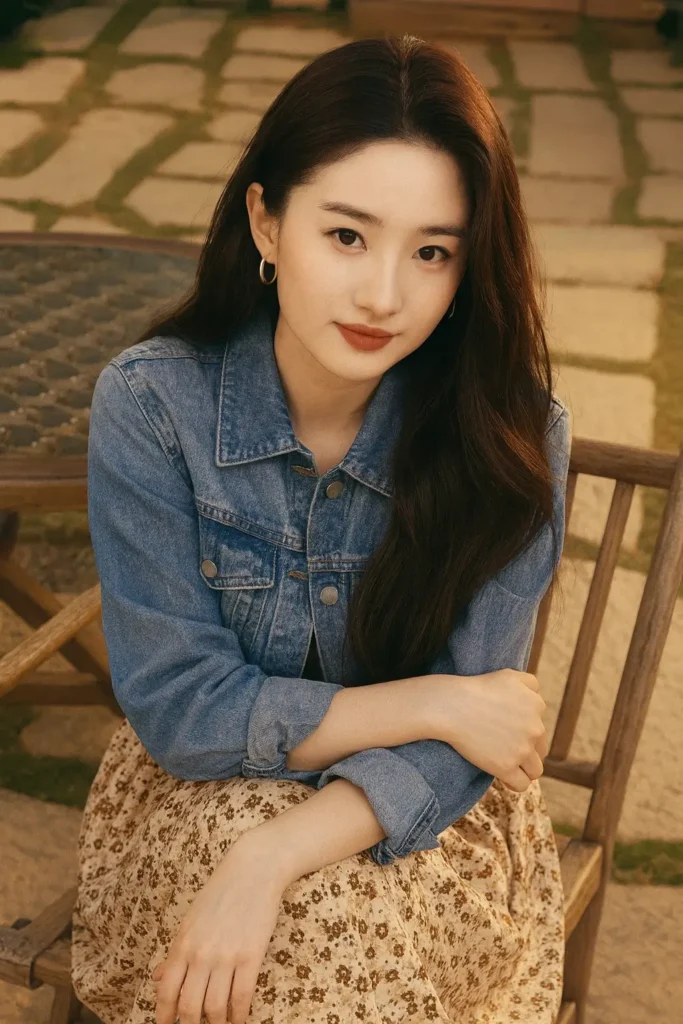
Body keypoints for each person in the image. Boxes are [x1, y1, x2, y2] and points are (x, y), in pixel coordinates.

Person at [70, 33, 571, 1024]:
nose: (384, 295)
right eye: (346, 235)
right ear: (265, 219)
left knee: (324, 937)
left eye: (431, 252)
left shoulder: (510, 435)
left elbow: (467, 750)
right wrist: (436, 697)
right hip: (190, 797)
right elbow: (185, 711)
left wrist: (275, 853)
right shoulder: (153, 406)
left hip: (428, 811)